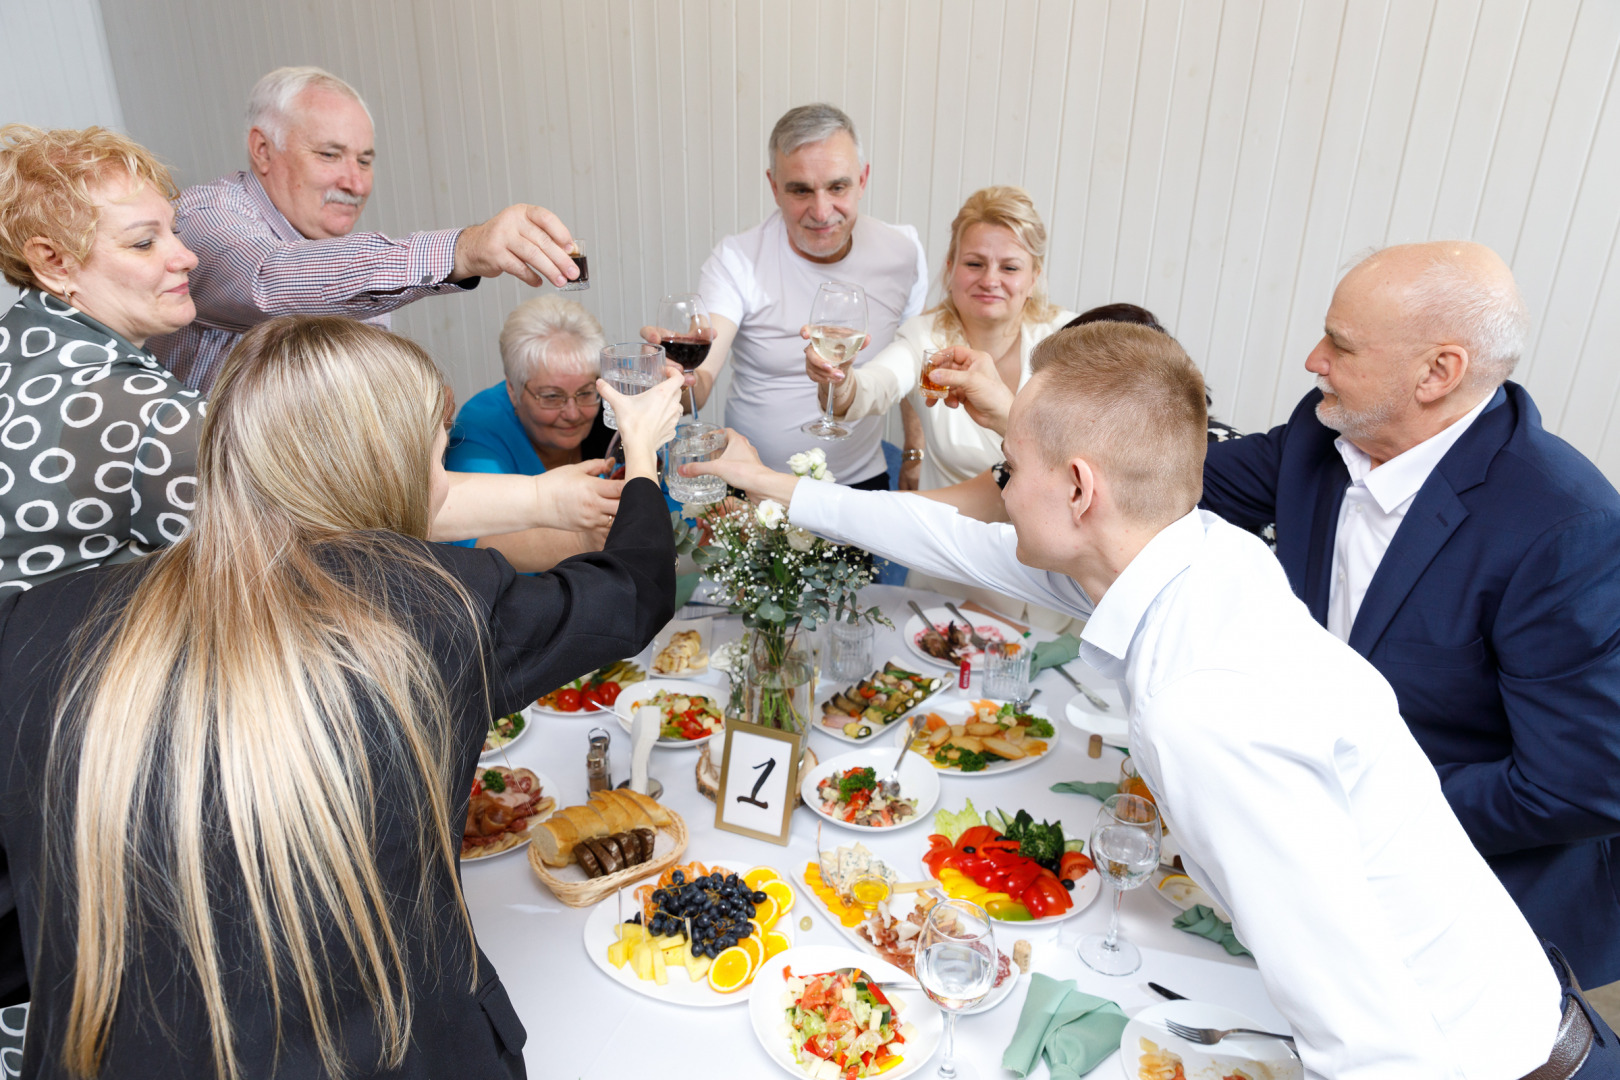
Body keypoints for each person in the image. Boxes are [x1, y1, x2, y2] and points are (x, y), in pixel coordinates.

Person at [683, 321, 1612, 1078]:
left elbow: (1378, 1051)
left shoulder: (1197, 705)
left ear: (1078, 487)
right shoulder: (1207, 551)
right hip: (1518, 1009)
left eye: (1010, 469)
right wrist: (773, 487)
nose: (1001, 490)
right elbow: (950, 539)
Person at [0, 314, 683, 1078]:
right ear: (389, 460)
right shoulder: (430, 610)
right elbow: (631, 592)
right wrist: (646, 456)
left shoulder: (34, 621)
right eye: (435, 453)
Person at [1199, 241, 1620, 989]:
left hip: (1477, 911)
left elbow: (1575, 787)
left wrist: (1357, 801)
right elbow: (1174, 482)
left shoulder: (1566, 529)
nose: (1312, 358)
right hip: (1310, 873)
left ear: (1438, 373)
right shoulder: (1324, 432)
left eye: (1341, 344)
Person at [0, 124, 623, 594]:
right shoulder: (134, 411)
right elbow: (345, 518)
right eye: (143, 242)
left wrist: (546, 499)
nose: (185, 256)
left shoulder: (24, 343)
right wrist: (542, 503)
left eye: (172, 231)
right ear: (52, 262)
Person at [149, 66, 584, 392]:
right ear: (263, 150)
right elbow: (270, 280)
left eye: (365, 160)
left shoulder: (343, 255)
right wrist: (463, 250)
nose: (355, 183)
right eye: (329, 155)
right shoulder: (202, 216)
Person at [654, 103, 927, 488]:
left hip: (858, 486)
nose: (821, 211)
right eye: (800, 190)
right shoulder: (737, 260)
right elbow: (699, 381)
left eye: (838, 187)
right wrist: (673, 375)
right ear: (774, 187)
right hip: (754, 486)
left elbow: (914, 359)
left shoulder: (903, 252)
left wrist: (915, 451)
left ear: (863, 180)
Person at [804, 185, 1074, 492]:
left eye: (1009, 267)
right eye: (974, 264)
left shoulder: (1069, 339)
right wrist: (838, 379)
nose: (989, 280)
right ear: (950, 267)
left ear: (1034, 277)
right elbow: (872, 389)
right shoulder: (925, 336)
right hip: (947, 528)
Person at [445, 295, 617, 570]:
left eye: (584, 393)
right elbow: (473, 540)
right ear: (513, 389)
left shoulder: (608, 404)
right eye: (551, 397)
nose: (573, 413)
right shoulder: (482, 424)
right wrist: (585, 542)